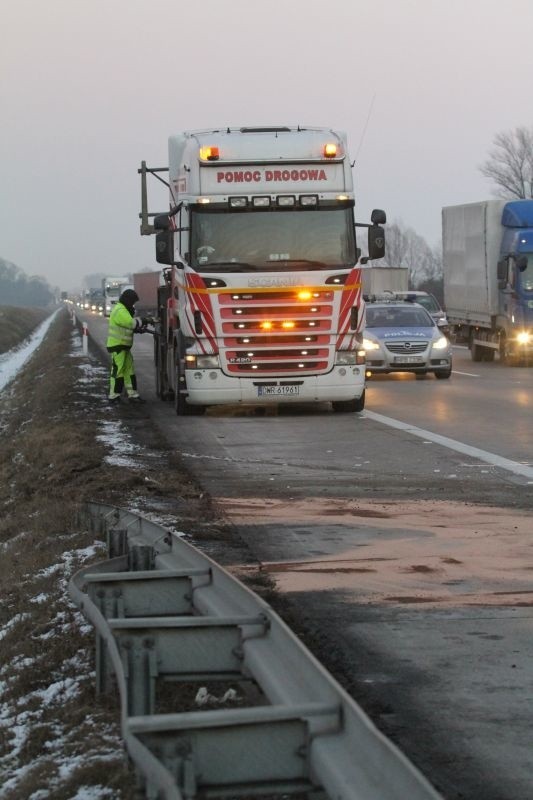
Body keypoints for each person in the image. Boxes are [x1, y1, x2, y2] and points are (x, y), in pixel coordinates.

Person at [106, 289, 148, 403]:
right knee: (118, 370)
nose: (133, 305)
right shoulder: (120, 310)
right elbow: (130, 323)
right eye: (133, 302)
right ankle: (114, 396)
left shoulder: (123, 309)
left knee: (129, 370)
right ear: (128, 300)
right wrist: (143, 320)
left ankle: (132, 394)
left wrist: (137, 330)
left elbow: (127, 326)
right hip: (118, 346)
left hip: (123, 346)